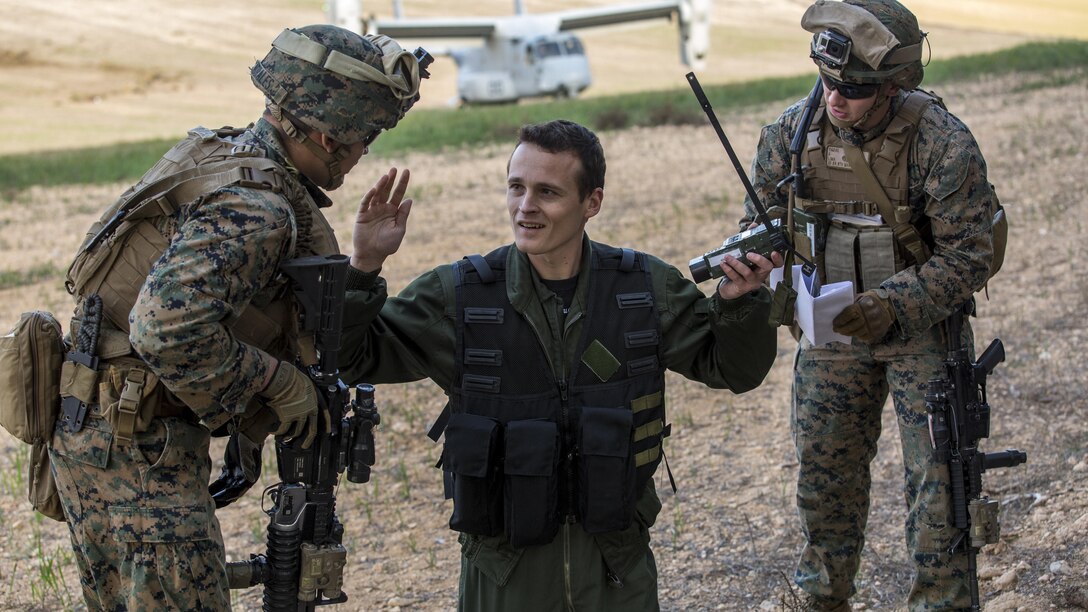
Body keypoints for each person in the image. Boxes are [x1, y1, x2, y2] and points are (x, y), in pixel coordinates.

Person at [51, 25, 426, 610]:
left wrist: (362, 265)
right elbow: (166, 331)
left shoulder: (221, 155)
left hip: (106, 428)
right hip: (133, 445)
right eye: (362, 142)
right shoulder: (255, 206)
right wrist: (282, 386)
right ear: (328, 137)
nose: (361, 157)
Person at [338, 119, 783, 610]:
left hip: (617, 567)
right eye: (516, 188)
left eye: (547, 192)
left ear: (591, 202)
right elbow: (351, 358)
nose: (526, 207)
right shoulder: (459, 296)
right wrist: (363, 266)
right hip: (503, 574)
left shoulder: (643, 289)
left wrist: (739, 303)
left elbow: (734, 370)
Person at [739, 1, 1002, 609]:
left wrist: (895, 304)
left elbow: (970, 253)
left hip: (921, 332)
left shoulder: (942, 143)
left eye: (855, 89)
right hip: (830, 333)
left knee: (940, 495)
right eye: (828, 82)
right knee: (824, 489)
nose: (836, 100)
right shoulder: (789, 135)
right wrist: (755, 261)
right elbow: (762, 223)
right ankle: (822, 600)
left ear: (893, 84)